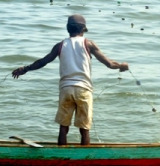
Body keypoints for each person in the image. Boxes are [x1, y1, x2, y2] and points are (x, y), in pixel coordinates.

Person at [12, 14, 129, 146]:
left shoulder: (60, 45)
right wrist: (121, 66)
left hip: (66, 89)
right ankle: (84, 159)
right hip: (83, 89)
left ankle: (61, 156)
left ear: (68, 28)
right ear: (83, 29)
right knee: (84, 128)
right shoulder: (88, 44)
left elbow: (43, 61)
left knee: (63, 127)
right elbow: (109, 64)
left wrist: (25, 69)